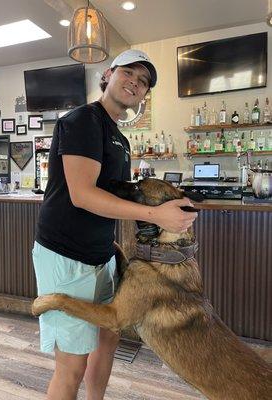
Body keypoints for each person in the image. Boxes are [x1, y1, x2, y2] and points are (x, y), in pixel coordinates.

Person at [32, 49, 198, 400]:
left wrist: (118, 241)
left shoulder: (119, 139)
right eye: (129, 74)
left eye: (143, 82)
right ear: (108, 75)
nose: (135, 83)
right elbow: (82, 195)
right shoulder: (81, 121)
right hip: (66, 252)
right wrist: (156, 215)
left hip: (101, 254)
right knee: (71, 365)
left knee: (108, 336)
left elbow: (116, 198)